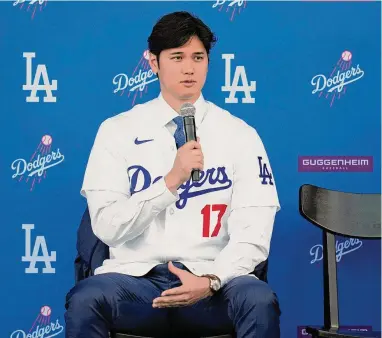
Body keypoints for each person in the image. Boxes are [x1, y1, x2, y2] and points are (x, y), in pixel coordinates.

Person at [65, 10, 281, 338]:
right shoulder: (116, 131)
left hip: (213, 284)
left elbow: (253, 237)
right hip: (136, 285)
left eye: (198, 57)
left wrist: (211, 281)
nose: (189, 68)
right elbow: (107, 227)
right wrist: (170, 182)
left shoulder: (241, 135)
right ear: (153, 62)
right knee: (87, 299)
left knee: (258, 299)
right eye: (177, 56)